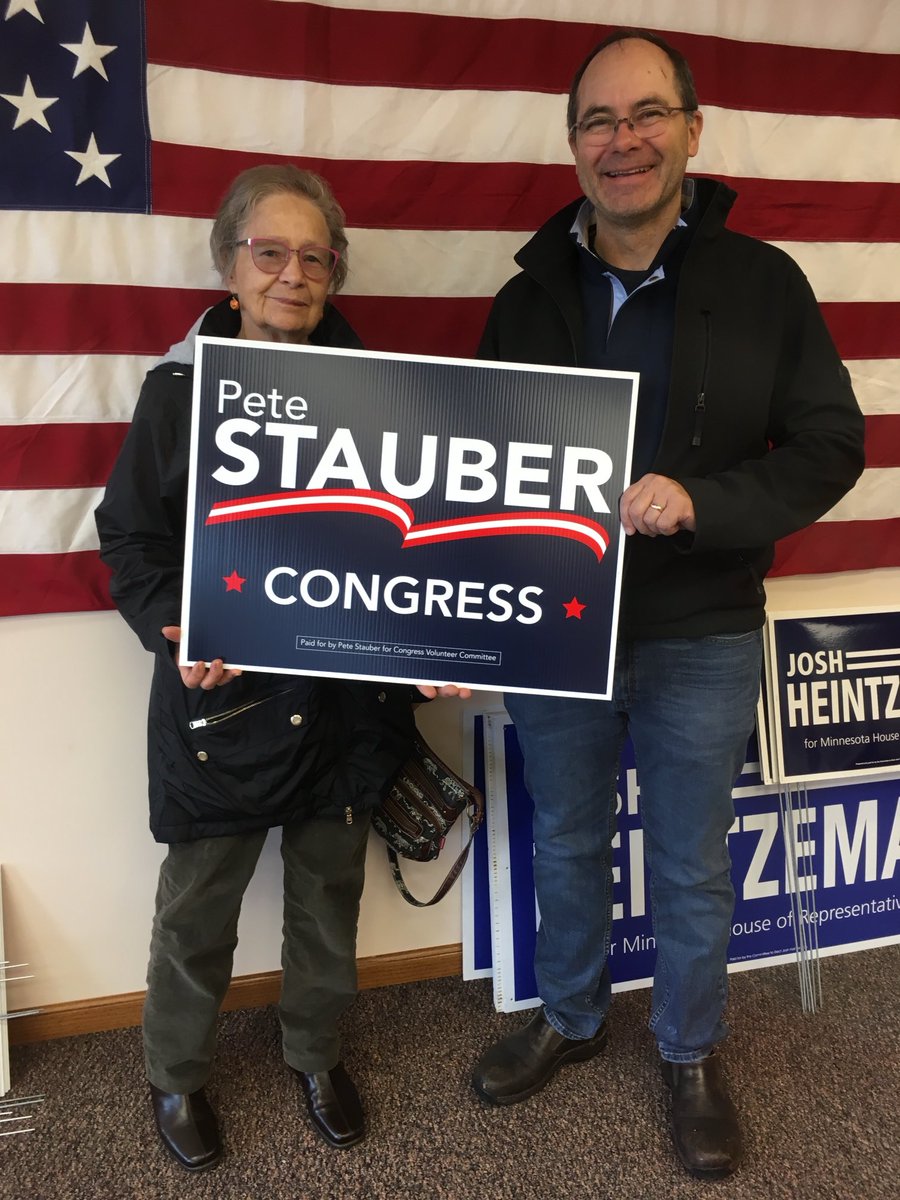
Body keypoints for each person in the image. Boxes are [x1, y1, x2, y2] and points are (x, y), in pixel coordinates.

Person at [469, 29, 865, 1180]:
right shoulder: (528, 296)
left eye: (645, 114)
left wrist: (708, 500)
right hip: (561, 630)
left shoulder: (764, 283)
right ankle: (573, 1019)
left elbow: (833, 446)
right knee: (571, 842)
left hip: (701, 631)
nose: (622, 139)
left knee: (689, 861)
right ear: (574, 146)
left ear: (692, 130)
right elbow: (478, 471)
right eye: (597, 120)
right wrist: (461, 619)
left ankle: (691, 1052)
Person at [95, 165, 462, 1172]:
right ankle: (176, 1073)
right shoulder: (180, 394)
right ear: (229, 261)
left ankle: (316, 1055)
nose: (293, 274)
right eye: (271, 252)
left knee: (327, 899)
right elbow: (127, 540)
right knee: (199, 908)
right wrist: (177, 626)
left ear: (334, 271)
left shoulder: (386, 397)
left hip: (342, 706)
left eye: (314, 256)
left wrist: (440, 641)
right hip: (223, 707)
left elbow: (419, 546)